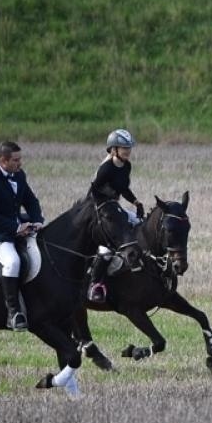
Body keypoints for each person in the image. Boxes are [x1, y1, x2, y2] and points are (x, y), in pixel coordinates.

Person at [0, 140, 45, 331]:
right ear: (3, 161)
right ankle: (13, 313)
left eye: (20, 159)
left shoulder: (19, 175)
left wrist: (37, 219)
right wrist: (16, 228)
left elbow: (31, 201)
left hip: (17, 226)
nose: (20, 163)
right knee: (12, 261)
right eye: (16, 160)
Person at [86, 128, 143, 303]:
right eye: (123, 147)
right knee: (107, 246)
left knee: (140, 222)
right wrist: (106, 210)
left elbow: (123, 188)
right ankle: (95, 284)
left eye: (129, 148)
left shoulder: (126, 166)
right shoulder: (106, 168)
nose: (127, 151)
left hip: (113, 206)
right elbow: (94, 191)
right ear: (113, 149)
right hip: (99, 208)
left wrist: (136, 202)